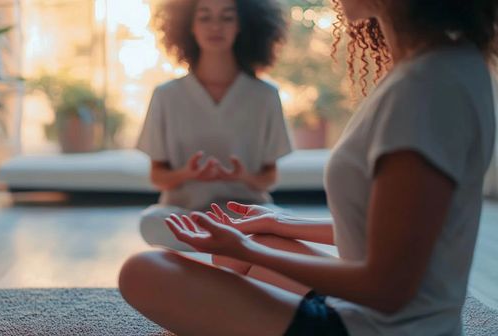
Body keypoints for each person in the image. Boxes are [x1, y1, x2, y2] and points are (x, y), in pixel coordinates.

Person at [119, 0, 498, 335]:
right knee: (249, 246)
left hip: (376, 325)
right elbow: (394, 232)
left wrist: (248, 247)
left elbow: (388, 286)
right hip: (397, 316)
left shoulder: (424, 88)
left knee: (141, 272)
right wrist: (273, 224)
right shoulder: (446, 64)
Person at [136, 0, 293, 251]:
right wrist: (189, 174)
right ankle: (236, 247)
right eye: (205, 17)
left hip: (245, 214)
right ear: (190, 26)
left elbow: (269, 178)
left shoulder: (265, 96)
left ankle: (217, 244)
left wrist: (243, 177)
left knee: (279, 219)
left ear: (241, 24)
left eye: (227, 17)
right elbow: (158, 176)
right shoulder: (166, 95)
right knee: (151, 221)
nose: (215, 27)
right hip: (186, 215)